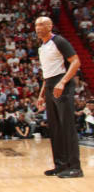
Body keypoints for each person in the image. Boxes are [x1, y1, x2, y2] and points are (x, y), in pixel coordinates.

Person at [35, 17, 83, 178]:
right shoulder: (42, 47)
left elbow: (76, 62)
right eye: (36, 25)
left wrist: (62, 82)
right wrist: (41, 94)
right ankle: (61, 165)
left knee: (67, 126)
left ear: (50, 26)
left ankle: (75, 167)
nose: (38, 27)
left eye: (41, 24)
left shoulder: (59, 41)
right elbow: (46, 73)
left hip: (62, 83)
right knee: (55, 127)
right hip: (50, 84)